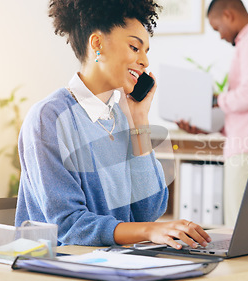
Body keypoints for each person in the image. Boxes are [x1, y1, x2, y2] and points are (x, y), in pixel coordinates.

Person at [15, 0, 211, 250]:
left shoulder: (122, 118)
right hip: (65, 266)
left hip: (118, 263)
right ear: (97, 44)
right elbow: (70, 226)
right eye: (134, 47)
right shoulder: (49, 118)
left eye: (146, 51)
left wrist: (138, 121)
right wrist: (149, 230)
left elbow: (148, 211)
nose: (144, 62)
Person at [177, 0, 248, 227]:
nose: (220, 36)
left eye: (217, 28)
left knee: (241, 230)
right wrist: (211, 126)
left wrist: (215, 101)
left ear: (228, 15)